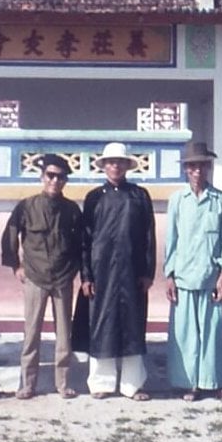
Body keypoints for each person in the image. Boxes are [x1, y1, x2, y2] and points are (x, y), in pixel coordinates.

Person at [1, 153, 84, 400]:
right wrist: (16, 266)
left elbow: (82, 243)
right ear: (42, 176)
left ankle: (63, 383)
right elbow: (10, 236)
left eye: (60, 177)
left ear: (65, 181)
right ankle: (27, 384)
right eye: (50, 175)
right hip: (35, 277)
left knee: (63, 334)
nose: (55, 181)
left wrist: (74, 270)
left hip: (62, 279)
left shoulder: (71, 210)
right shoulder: (26, 206)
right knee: (31, 333)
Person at [81, 141, 156, 400]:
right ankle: (101, 383)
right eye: (110, 162)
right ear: (104, 166)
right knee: (102, 325)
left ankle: (132, 385)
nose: (115, 166)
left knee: (133, 325)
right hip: (101, 272)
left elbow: (148, 236)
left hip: (132, 271)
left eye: (120, 162)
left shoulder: (139, 195)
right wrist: (86, 275)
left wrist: (148, 272)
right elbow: (85, 240)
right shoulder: (93, 198)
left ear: (127, 166)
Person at [164, 141, 222, 402]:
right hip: (183, 276)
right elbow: (171, 240)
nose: (197, 171)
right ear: (186, 170)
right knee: (184, 334)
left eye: (202, 166)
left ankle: (215, 382)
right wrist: (169, 276)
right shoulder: (177, 200)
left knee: (212, 333)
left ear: (208, 168)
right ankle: (189, 383)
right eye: (192, 166)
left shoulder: (220, 200)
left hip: (210, 276)